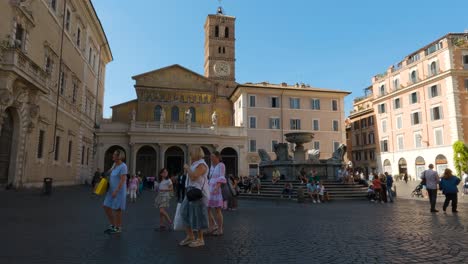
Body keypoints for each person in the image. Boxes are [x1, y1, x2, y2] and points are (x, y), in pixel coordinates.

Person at [179, 147, 210, 248]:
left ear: (196, 154)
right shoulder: (194, 164)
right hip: (190, 191)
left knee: (198, 214)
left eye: (191, 153)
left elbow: (194, 176)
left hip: (197, 192)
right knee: (183, 212)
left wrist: (187, 168)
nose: (190, 155)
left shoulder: (202, 165)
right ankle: (190, 235)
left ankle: (200, 239)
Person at [103, 150, 128, 234]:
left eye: (114, 155)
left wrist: (116, 191)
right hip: (111, 190)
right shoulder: (114, 165)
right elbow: (109, 173)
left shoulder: (123, 166)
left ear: (119, 156)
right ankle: (113, 225)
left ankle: (118, 227)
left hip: (119, 191)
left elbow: (122, 180)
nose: (112, 156)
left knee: (117, 209)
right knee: (106, 206)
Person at [207, 151, 226, 236]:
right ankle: (212, 225)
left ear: (218, 157)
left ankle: (220, 229)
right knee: (207, 208)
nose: (211, 158)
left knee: (217, 210)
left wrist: (217, 187)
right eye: (211, 156)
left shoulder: (221, 165)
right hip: (209, 188)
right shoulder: (211, 166)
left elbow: (221, 177)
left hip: (216, 189)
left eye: (213, 156)